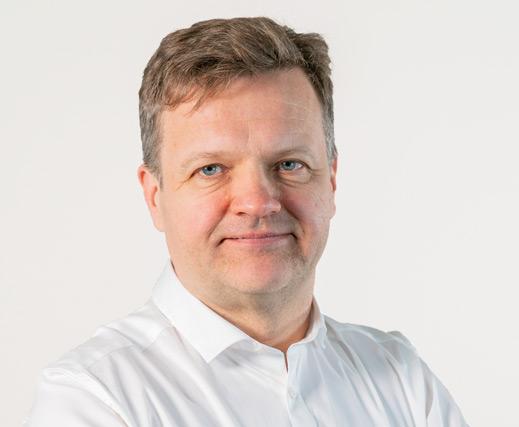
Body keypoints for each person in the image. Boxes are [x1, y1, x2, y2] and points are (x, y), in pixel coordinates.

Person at [25, 17, 468, 426]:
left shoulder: (402, 379)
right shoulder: (92, 399)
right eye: (211, 169)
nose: (257, 202)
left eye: (290, 164)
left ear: (331, 180)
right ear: (154, 196)